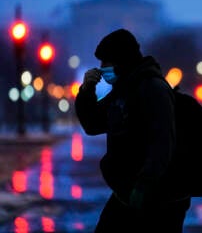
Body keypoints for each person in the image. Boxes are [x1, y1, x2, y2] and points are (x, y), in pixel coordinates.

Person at [75, 29, 191, 232]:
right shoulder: (123, 90)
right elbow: (93, 125)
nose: (102, 69)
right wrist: (86, 92)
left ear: (121, 60)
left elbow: (162, 142)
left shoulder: (151, 88)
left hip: (158, 194)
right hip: (130, 190)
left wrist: (144, 184)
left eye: (106, 63)